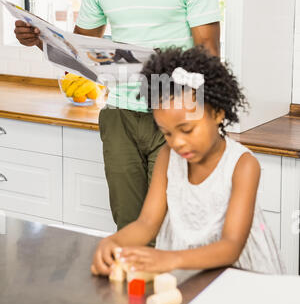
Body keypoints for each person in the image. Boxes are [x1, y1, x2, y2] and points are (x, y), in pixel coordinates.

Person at [14, 0, 221, 231]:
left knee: (174, 223)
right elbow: (80, 48)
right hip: (119, 116)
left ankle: (175, 287)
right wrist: (38, 38)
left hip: (174, 114)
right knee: (129, 223)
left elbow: (209, 55)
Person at [91, 46, 286, 276]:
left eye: (187, 129)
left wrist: (169, 259)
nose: (178, 143)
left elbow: (231, 245)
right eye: (167, 133)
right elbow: (147, 223)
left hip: (240, 273)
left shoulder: (242, 165)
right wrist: (114, 242)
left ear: (217, 113)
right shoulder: (167, 157)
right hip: (187, 268)